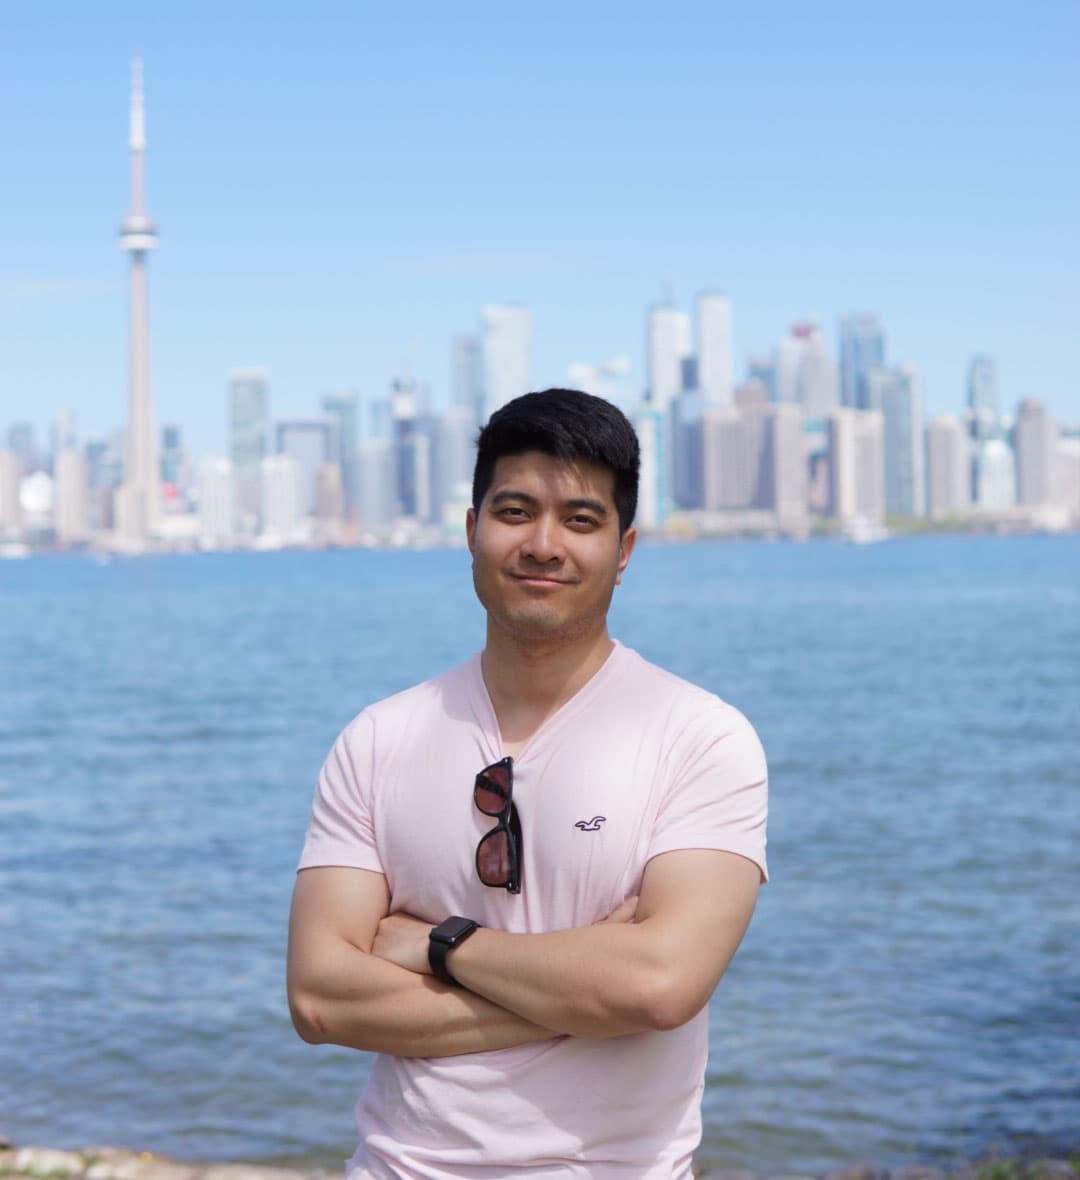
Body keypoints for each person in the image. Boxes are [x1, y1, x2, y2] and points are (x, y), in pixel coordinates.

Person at [287, 388, 768, 1179]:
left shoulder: (701, 737)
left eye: (581, 520)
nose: (544, 544)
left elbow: (657, 986)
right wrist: (582, 992)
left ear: (625, 550)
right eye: (515, 511)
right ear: (471, 529)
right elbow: (319, 998)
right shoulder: (378, 738)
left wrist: (437, 946)